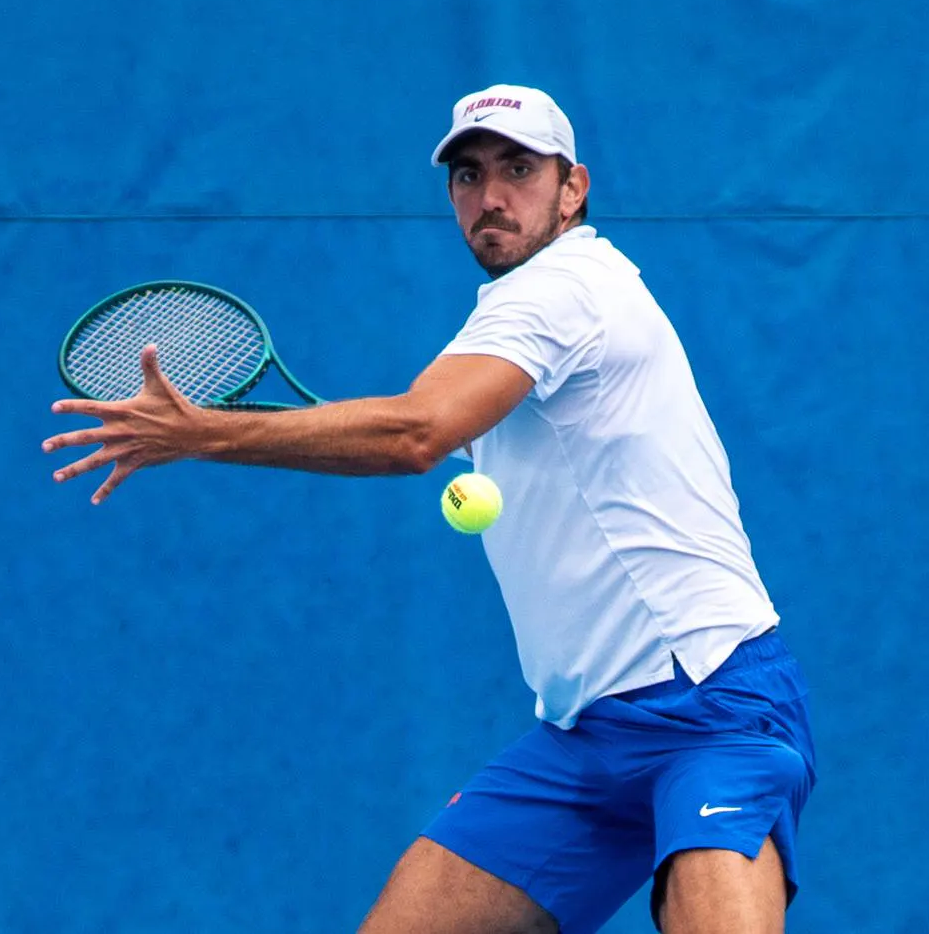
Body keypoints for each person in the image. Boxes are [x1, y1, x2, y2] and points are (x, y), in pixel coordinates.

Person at [43, 84, 816, 934]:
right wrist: (207, 427)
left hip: (709, 704)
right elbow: (401, 427)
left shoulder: (566, 288)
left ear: (574, 188)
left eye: (519, 169)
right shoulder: (506, 323)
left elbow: (414, 432)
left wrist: (201, 434)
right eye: (468, 175)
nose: (490, 196)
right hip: (585, 735)